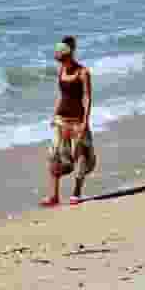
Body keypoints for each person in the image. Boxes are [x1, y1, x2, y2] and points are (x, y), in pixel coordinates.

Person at [42, 35, 95, 207]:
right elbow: (61, 96)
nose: (60, 61)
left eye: (62, 57)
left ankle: (77, 192)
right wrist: (54, 115)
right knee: (54, 157)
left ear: (70, 54)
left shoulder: (83, 72)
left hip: (77, 121)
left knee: (80, 156)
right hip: (61, 120)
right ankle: (54, 196)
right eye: (59, 59)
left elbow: (87, 98)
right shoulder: (61, 71)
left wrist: (85, 122)